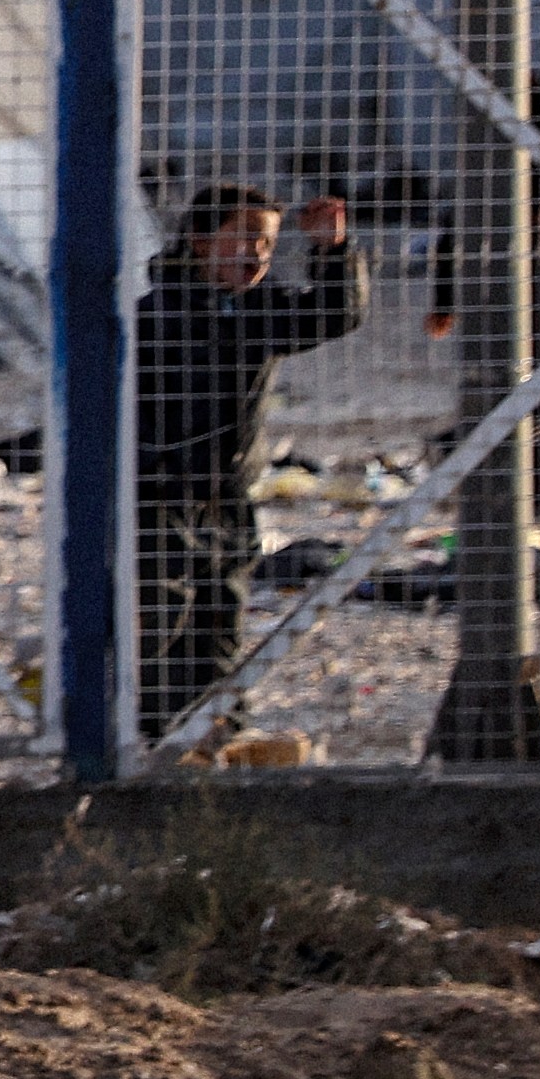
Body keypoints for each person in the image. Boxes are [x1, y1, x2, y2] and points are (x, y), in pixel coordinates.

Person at [131, 183, 368, 746]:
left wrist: (334, 251)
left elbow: (334, 314)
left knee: (221, 619)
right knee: (162, 619)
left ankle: (217, 736)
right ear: (199, 242)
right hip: (159, 493)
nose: (255, 254)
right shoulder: (154, 315)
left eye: (265, 244)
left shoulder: (256, 311)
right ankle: (149, 739)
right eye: (242, 238)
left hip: (229, 494)